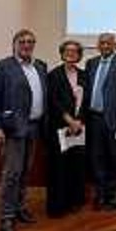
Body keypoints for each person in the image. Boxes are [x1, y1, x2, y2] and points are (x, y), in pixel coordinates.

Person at [0, 29, 47, 231]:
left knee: (25, 172)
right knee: (12, 173)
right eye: (22, 41)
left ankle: (20, 207)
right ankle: (7, 216)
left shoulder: (40, 66)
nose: (27, 45)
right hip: (13, 128)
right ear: (15, 44)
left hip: (34, 127)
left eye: (30, 41)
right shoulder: (2, 66)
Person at [84, 33, 116, 211]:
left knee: (115, 158)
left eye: (108, 43)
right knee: (97, 158)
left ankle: (114, 195)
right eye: (102, 43)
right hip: (94, 118)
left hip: (115, 120)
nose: (105, 46)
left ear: (114, 45)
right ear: (98, 45)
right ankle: (101, 193)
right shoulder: (91, 63)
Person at [46, 40, 87, 217]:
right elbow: (53, 101)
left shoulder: (84, 75)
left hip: (79, 127)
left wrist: (79, 121)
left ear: (79, 55)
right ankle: (58, 206)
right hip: (60, 127)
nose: (71, 54)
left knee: (75, 164)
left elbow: (87, 101)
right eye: (67, 51)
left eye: (75, 51)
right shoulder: (53, 75)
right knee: (59, 167)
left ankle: (74, 201)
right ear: (62, 53)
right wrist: (69, 120)